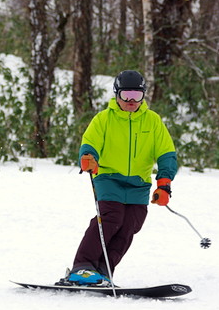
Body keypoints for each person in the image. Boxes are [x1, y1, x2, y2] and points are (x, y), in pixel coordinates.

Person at [66, 70, 178, 285]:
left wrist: (164, 183)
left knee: (130, 225)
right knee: (111, 217)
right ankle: (82, 266)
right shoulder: (104, 119)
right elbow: (90, 142)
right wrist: (89, 156)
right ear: (116, 94)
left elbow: (166, 153)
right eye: (126, 95)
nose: (131, 101)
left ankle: (103, 270)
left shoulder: (153, 121)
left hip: (139, 183)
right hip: (108, 177)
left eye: (137, 96)